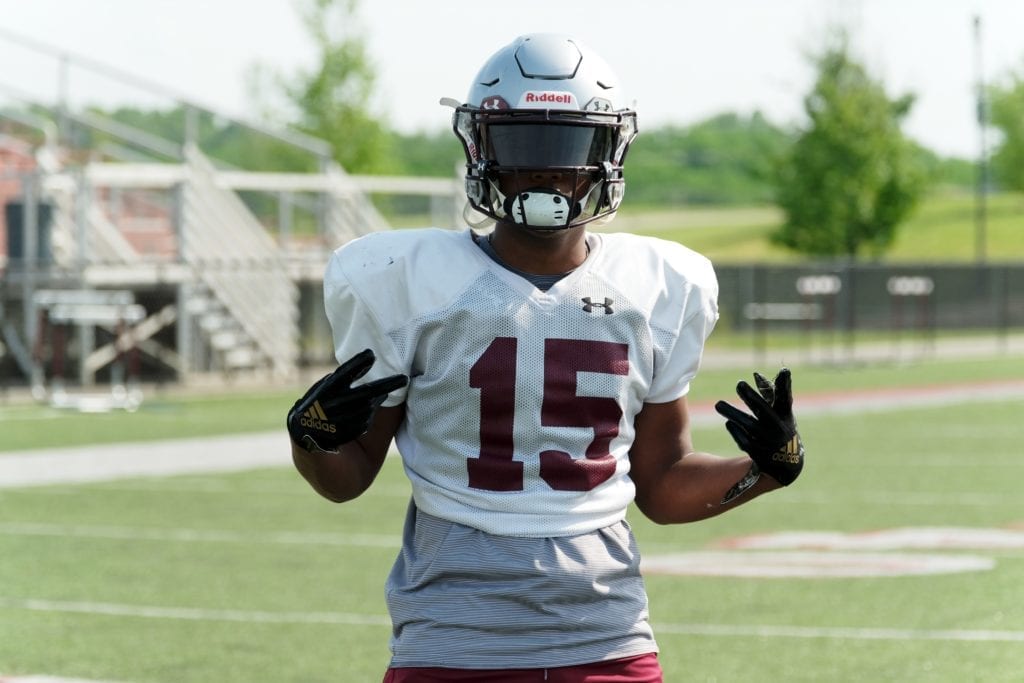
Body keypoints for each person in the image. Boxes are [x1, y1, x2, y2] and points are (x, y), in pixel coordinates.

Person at [287, 33, 805, 683]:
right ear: (484, 151)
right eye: (523, 147)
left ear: (606, 156)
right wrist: (311, 440)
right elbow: (349, 475)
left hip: (607, 635)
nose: (545, 171)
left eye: (568, 150)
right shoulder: (406, 280)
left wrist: (766, 469)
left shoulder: (659, 287)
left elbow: (664, 481)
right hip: (453, 634)